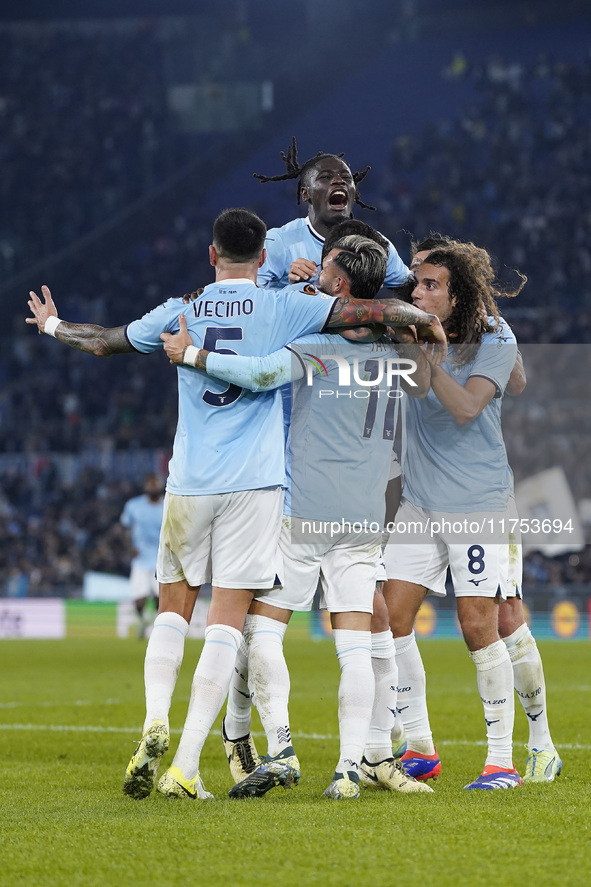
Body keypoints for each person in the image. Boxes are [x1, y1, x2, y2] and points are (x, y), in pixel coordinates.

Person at [26, 207, 446, 802]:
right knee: (325, 634)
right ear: (263, 256)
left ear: (211, 253)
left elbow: (110, 343)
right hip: (315, 500)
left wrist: (53, 326)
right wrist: (421, 320)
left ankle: (251, 740)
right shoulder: (304, 316)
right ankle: (348, 763)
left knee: (220, 620)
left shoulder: (198, 311)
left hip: (227, 487)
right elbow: (372, 313)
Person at [164, 233, 434, 799]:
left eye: (327, 269)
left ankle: (281, 747)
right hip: (366, 516)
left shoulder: (316, 344)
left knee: (262, 633)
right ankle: (348, 771)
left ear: (338, 287)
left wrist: (191, 354)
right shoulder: (399, 354)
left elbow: (259, 374)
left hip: (304, 511)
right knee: (354, 645)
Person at [388, 237, 561, 786]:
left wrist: (430, 352)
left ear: (458, 295)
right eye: (416, 281)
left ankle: (516, 755)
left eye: (431, 284)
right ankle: (419, 746)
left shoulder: (493, 333)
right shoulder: (411, 328)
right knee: (389, 617)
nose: (418, 290)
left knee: (490, 624)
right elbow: (417, 388)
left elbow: (465, 407)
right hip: (420, 500)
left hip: (480, 502)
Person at [254, 136, 411, 289]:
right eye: (325, 177)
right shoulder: (278, 242)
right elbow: (248, 300)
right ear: (305, 193)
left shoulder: (374, 243)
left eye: (346, 178)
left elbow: (412, 292)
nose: (339, 181)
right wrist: (290, 289)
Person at [119, 473, 165, 638]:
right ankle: (144, 619)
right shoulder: (134, 506)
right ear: (145, 487)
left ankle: (156, 626)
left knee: (161, 599)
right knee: (139, 601)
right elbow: (124, 527)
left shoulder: (169, 505)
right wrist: (129, 547)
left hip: (162, 560)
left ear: (161, 486)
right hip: (141, 560)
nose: (153, 487)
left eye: (156, 484)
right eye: (150, 484)